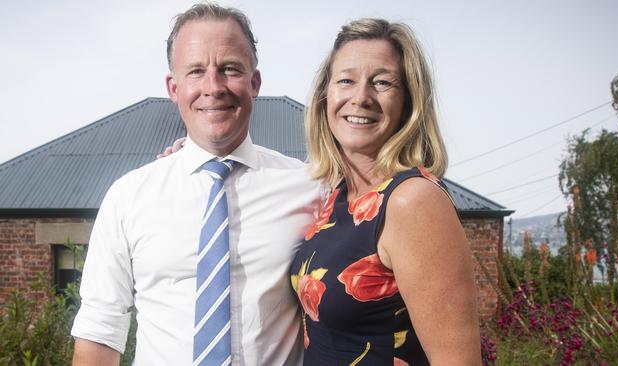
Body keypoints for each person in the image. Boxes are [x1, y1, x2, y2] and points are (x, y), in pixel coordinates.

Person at [70, 3, 323, 365]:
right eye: (196, 71)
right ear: (174, 88)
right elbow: (99, 331)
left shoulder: (310, 190)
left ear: (255, 83)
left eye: (230, 69)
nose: (213, 87)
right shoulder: (128, 198)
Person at [289, 18, 481, 365]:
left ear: (408, 102)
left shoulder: (412, 201)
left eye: (382, 82)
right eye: (346, 80)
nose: (360, 97)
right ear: (325, 96)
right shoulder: (336, 197)